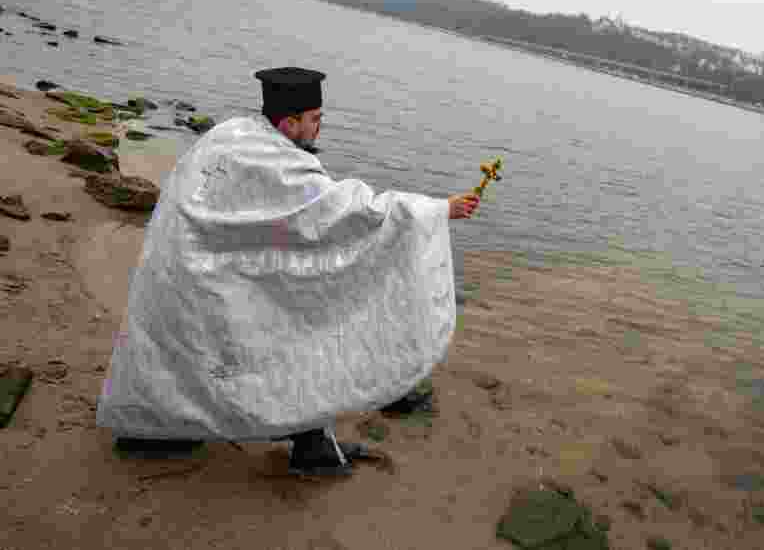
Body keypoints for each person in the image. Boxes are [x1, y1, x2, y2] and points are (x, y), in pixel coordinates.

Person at [98, 67, 480, 476]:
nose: (320, 126)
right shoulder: (281, 166)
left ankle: (153, 427)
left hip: (176, 266)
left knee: (183, 349)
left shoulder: (232, 133)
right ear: (289, 122)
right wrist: (439, 210)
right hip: (206, 274)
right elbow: (348, 212)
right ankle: (308, 447)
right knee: (298, 334)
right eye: (314, 118)